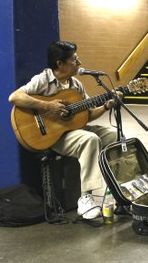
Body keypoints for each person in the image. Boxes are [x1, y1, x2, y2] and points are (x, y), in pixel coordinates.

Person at [8, 41, 119, 219]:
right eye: (74, 60)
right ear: (60, 63)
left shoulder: (75, 85)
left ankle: (116, 191)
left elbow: (87, 115)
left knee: (114, 135)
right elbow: (15, 97)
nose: (79, 63)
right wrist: (47, 106)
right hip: (54, 136)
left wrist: (106, 105)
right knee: (89, 140)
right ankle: (85, 198)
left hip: (75, 130)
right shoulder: (43, 79)